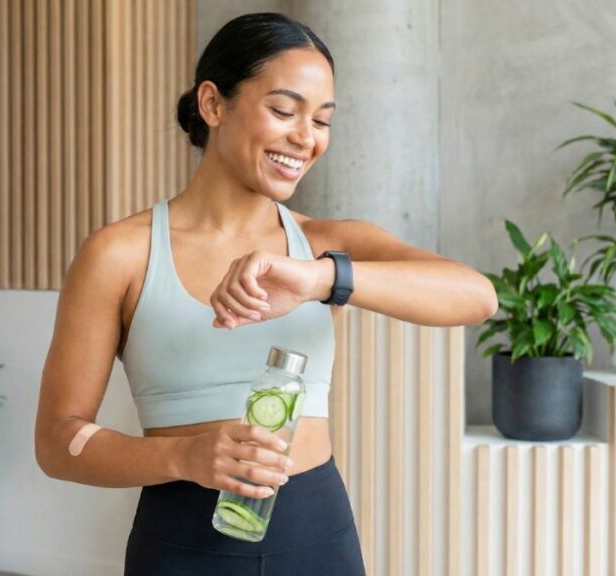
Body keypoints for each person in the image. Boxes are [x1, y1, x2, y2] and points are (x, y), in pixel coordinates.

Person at [34, 12, 498, 575]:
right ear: (213, 104)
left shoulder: (325, 243)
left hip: (316, 536)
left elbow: (476, 296)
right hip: (181, 545)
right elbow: (58, 443)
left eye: (322, 120)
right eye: (284, 110)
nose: (305, 138)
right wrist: (184, 455)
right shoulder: (120, 254)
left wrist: (320, 278)